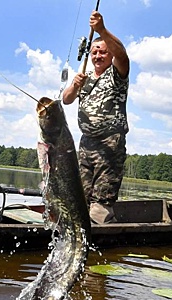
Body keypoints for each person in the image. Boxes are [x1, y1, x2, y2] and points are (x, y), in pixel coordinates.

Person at [63, 11, 130, 224]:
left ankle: (102, 236)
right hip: (86, 144)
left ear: (109, 54)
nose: (97, 56)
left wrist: (101, 30)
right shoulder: (86, 77)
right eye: (93, 53)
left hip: (109, 144)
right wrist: (74, 85)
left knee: (102, 200)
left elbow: (122, 55)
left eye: (102, 52)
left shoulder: (117, 73)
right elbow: (66, 100)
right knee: (81, 196)